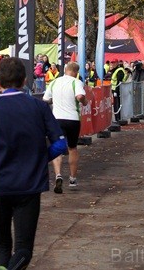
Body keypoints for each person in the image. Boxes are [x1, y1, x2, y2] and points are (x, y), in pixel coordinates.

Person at [0, 57, 67, 270]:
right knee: (23, 250)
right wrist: (40, 159)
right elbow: (60, 145)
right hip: (29, 185)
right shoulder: (39, 107)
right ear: (25, 80)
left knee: (2, 246)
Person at [43, 61, 88, 193]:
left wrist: (55, 100)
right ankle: (73, 179)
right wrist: (85, 101)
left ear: (65, 70)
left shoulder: (55, 82)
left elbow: (46, 99)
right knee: (72, 148)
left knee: (57, 147)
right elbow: (80, 96)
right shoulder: (76, 82)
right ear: (76, 72)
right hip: (73, 119)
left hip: (57, 118)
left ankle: (58, 175)